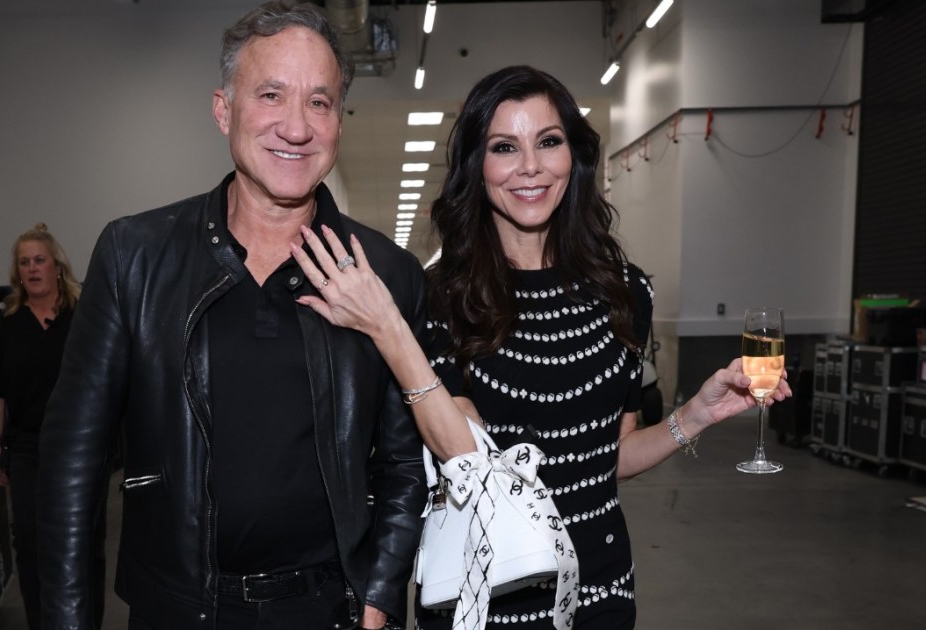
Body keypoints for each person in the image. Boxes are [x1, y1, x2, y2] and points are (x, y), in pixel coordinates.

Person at [289, 65, 792, 629]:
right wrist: (389, 326)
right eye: (505, 147)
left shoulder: (625, 291)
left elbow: (606, 460)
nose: (530, 166)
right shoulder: (442, 296)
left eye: (548, 142)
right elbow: (467, 462)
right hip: (485, 602)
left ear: (572, 157)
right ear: (478, 168)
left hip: (603, 595)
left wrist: (695, 415)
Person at [35, 2, 426, 629]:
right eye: (271, 94)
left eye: (319, 102)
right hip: (177, 608)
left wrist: (378, 601)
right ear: (224, 110)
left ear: (338, 122)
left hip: (329, 611)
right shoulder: (135, 256)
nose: (296, 127)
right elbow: (73, 461)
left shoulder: (387, 272)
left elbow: (404, 465)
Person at [0, 223, 108, 630]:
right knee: (32, 543)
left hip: (80, 448)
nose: (32, 268)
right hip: (27, 449)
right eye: (24, 263)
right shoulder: (9, 324)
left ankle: (87, 622)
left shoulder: (83, 315)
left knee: (83, 542)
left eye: (40, 260)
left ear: (57, 267)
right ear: (17, 273)